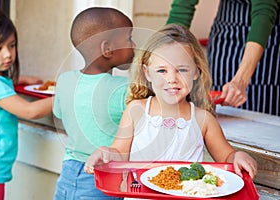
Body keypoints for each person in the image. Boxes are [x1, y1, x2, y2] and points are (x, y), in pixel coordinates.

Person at [84, 24, 257, 180]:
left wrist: (237, 156)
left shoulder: (203, 119)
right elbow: (119, 153)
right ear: (147, 73)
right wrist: (105, 152)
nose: (172, 79)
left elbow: (226, 157)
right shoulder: (135, 110)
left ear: (196, 72)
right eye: (162, 70)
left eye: (181, 69)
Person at [52, 7, 136, 200]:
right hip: (101, 174)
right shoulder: (123, 89)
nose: (134, 44)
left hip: (68, 172)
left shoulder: (64, 80)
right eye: (129, 38)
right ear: (107, 49)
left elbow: (60, 115)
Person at [0, 7, 53, 200]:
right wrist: (64, 95)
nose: (8, 54)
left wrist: (19, 80)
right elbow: (29, 111)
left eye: (12, 45)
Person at [167, 0, 280, 116]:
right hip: (224, 38)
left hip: (265, 39)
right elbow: (182, 7)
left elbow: (264, 11)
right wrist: (163, 56)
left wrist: (240, 80)